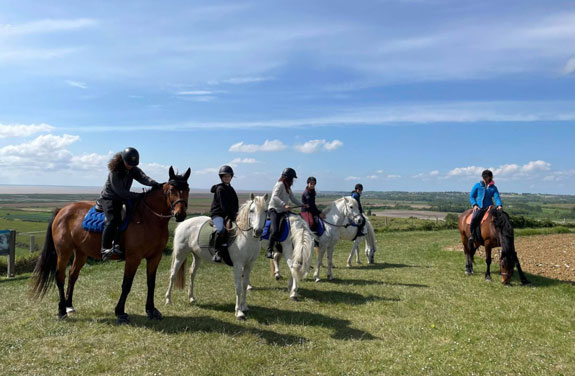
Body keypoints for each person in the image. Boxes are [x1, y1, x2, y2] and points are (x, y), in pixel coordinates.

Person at [100, 147, 161, 260]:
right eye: (128, 163)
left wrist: (154, 184)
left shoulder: (133, 168)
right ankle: (104, 249)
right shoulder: (115, 171)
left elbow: (143, 178)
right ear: (122, 160)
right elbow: (120, 192)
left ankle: (121, 245)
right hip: (110, 198)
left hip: (123, 198)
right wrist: (138, 195)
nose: (130, 166)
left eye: (133, 164)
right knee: (113, 219)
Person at [266, 167, 302, 259]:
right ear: (288, 177)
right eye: (292, 178)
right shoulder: (280, 185)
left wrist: (302, 205)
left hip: (282, 211)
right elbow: (274, 197)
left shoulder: (287, 187)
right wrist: (284, 204)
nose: (293, 180)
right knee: (274, 230)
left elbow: (293, 198)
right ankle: (269, 250)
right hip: (274, 210)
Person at [209, 165, 239, 263]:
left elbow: (235, 203)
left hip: (229, 214)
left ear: (231, 177)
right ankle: (217, 252)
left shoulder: (232, 189)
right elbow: (223, 206)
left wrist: (237, 213)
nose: (227, 178)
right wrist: (231, 214)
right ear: (221, 178)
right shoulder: (220, 189)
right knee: (221, 229)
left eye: (228, 176)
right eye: (224, 176)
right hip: (218, 214)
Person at [468, 169, 503, 245]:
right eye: (483, 176)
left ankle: (501, 236)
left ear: (490, 177)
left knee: (500, 219)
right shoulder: (477, 185)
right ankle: (472, 235)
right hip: (479, 207)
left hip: (489, 207)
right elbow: (472, 196)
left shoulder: (493, 188)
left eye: (486, 177)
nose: (484, 178)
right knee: (473, 218)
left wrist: (499, 205)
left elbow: (497, 197)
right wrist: (474, 205)